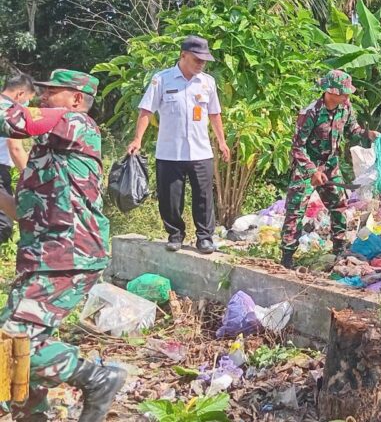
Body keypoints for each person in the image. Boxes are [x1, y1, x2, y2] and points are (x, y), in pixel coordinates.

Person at [0, 70, 126, 422]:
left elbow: (13, 118)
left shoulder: (76, 124)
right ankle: (32, 414)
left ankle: (97, 378)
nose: (42, 97)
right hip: (43, 258)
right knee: (14, 343)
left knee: (15, 342)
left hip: (68, 255)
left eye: (52, 92)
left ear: (75, 99)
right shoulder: (50, 151)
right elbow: (25, 210)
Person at [127, 36, 231, 255]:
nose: (201, 64)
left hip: (200, 151)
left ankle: (204, 238)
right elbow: (146, 110)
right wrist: (138, 139)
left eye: (204, 60)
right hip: (169, 152)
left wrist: (221, 142)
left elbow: (214, 113)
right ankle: (175, 235)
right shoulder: (162, 80)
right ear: (183, 55)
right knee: (170, 198)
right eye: (197, 59)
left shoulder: (207, 82)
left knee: (203, 197)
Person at [281, 70, 379, 269]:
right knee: (295, 210)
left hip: (330, 165)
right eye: (344, 92)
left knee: (339, 205)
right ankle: (287, 255)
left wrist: (369, 135)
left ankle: (339, 248)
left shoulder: (346, 108)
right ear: (331, 92)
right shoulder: (311, 113)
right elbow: (297, 147)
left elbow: (353, 130)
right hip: (307, 166)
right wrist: (312, 172)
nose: (347, 96)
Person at [0, 73, 36, 244]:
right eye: (28, 98)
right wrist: (31, 178)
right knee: (4, 224)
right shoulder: (12, 112)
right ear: (20, 94)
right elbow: (15, 148)